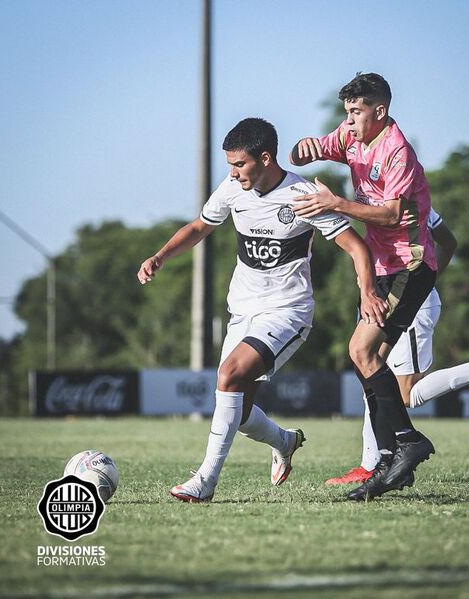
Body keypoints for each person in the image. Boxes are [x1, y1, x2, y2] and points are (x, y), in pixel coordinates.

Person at [290, 73, 469, 501]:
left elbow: (395, 215)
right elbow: (317, 149)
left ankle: (403, 444)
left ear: (379, 112)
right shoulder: (350, 134)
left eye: (357, 112)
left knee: (364, 353)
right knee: (371, 359)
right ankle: (387, 459)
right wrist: (302, 149)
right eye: (347, 112)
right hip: (385, 268)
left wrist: (337, 204)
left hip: (410, 265)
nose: (349, 120)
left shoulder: (397, 151)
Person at [137, 117, 387, 503]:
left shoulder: (301, 195)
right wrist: (160, 256)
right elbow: (200, 226)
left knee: (229, 374)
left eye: (240, 164)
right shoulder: (233, 189)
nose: (233, 173)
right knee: (238, 407)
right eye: (230, 165)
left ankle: (205, 481)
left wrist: (367, 290)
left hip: (288, 311)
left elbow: (356, 247)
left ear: (265, 158)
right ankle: (285, 441)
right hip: (243, 311)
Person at [325, 208, 469, 485]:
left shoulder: (408, 203)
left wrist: (423, 284)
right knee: (370, 376)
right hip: (384, 298)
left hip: (409, 303)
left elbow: (448, 242)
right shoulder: (371, 196)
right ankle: (372, 464)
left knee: (405, 395)